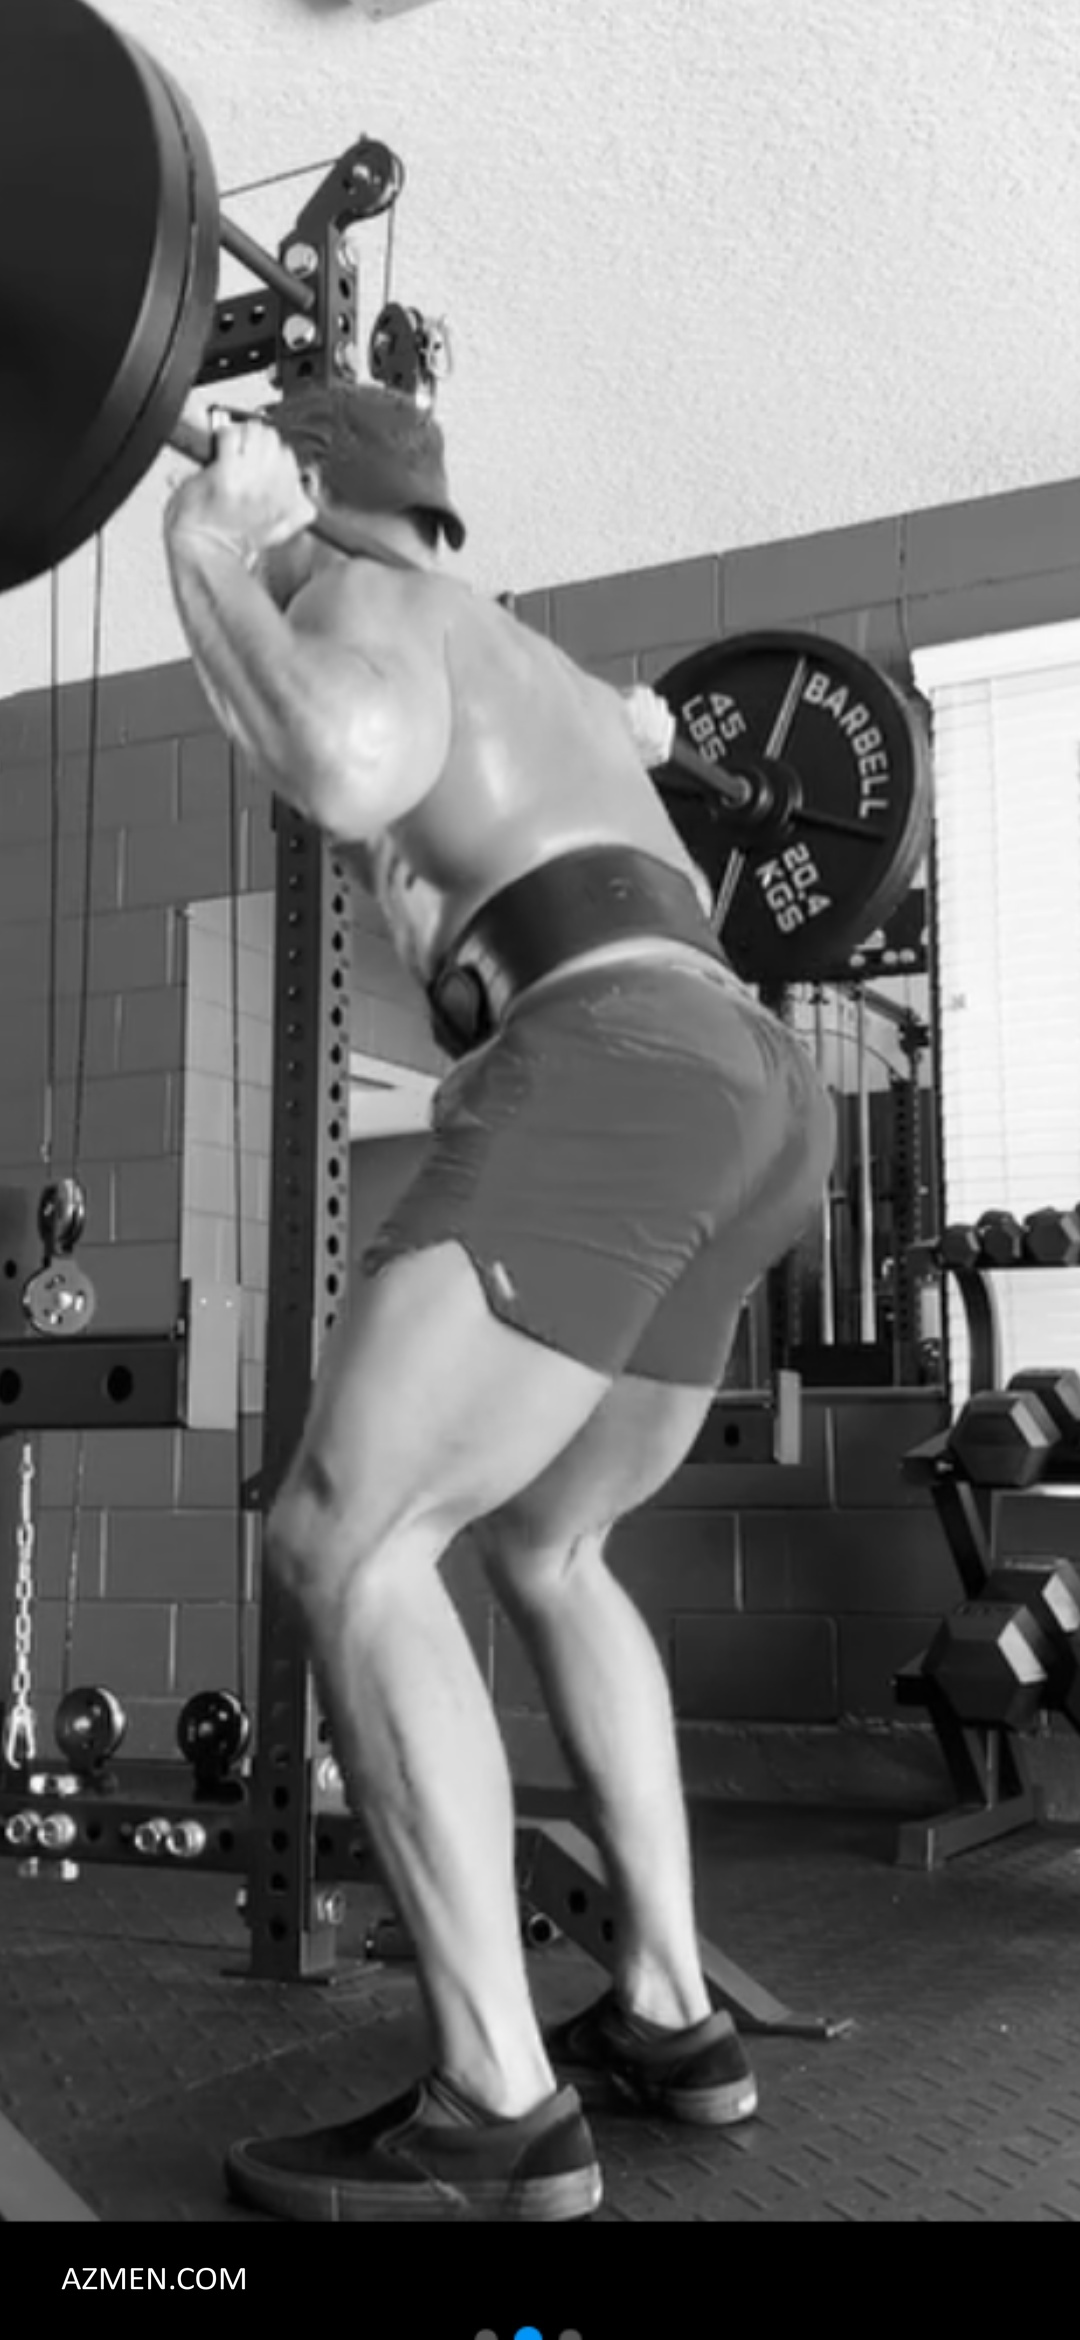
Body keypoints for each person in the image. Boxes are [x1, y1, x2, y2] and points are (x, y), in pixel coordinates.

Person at [164, 383, 835, 2224]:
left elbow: (342, 763)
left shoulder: (357, 592)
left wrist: (206, 544)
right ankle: (674, 2014)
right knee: (549, 1542)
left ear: (314, 489)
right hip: (753, 1081)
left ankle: (497, 2105)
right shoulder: (534, 663)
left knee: (345, 1536)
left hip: (614, 1056)